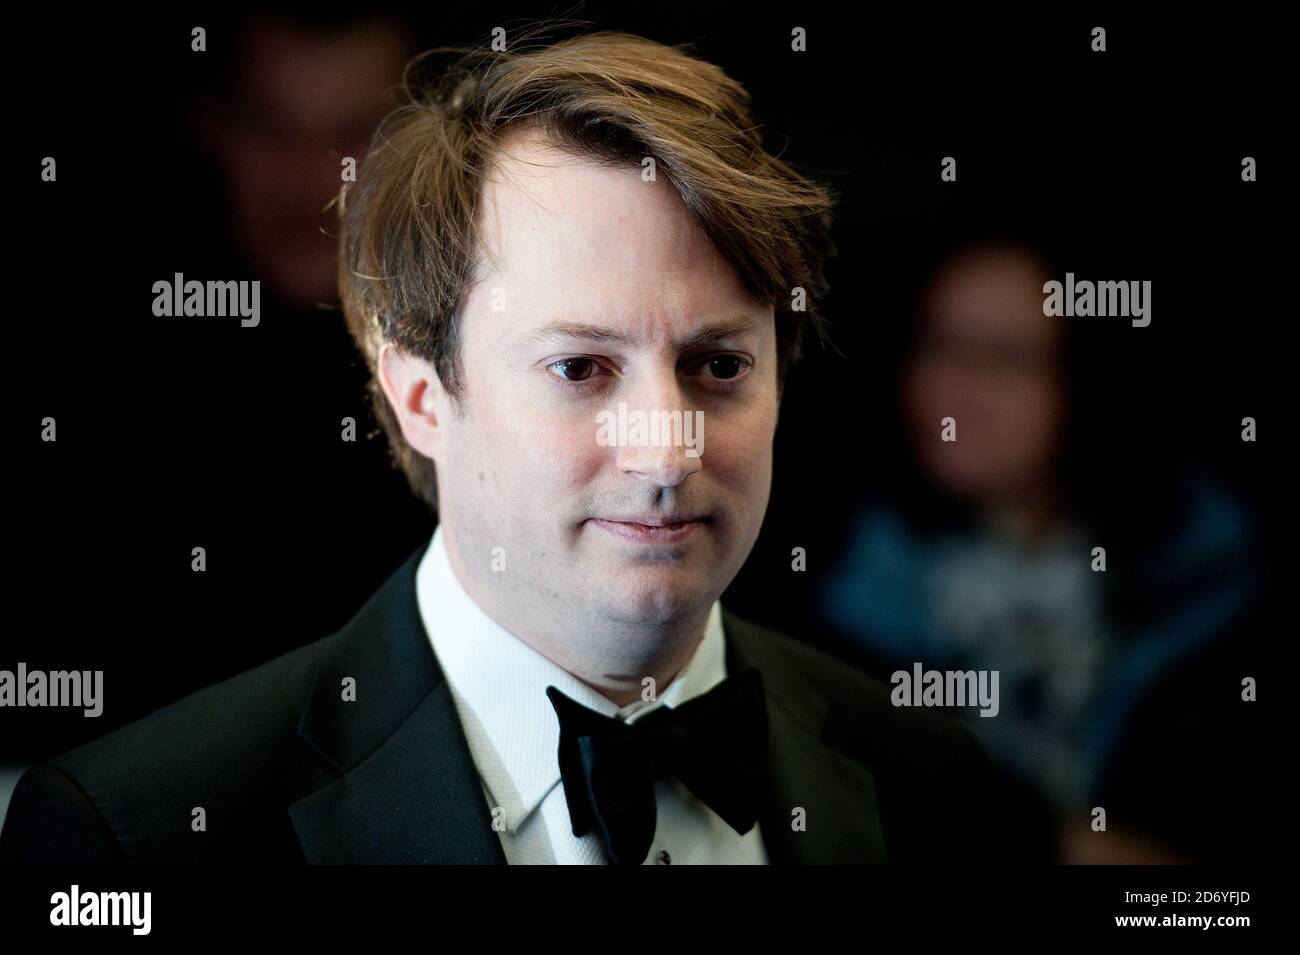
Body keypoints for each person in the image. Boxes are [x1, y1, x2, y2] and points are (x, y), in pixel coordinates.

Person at [1, 28, 1004, 865]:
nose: (664, 454)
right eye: (580, 369)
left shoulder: (935, 788)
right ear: (420, 396)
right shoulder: (135, 833)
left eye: (718, 366)